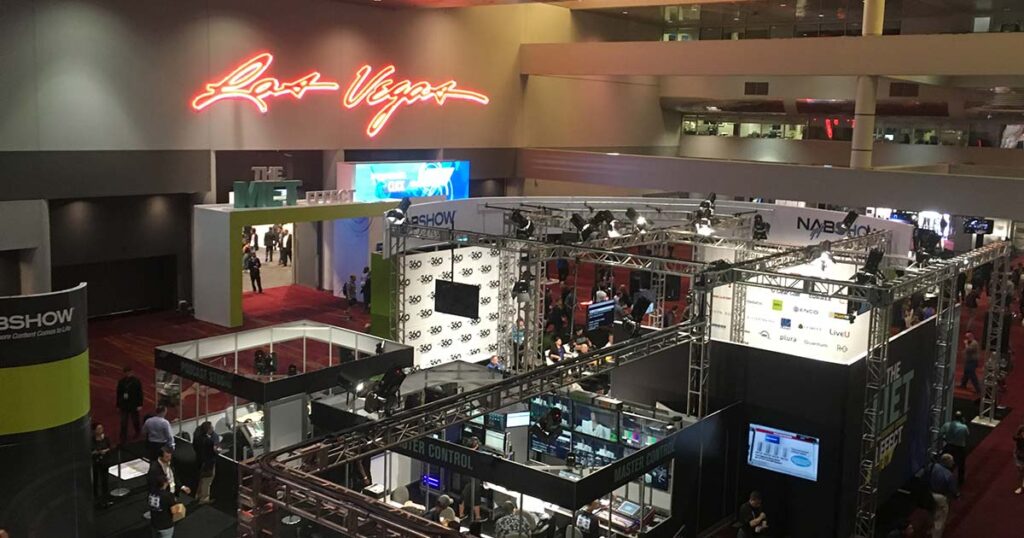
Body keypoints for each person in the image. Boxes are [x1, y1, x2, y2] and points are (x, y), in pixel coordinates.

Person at [929, 453, 958, 537]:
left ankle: (931, 530)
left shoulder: (933, 467)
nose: (953, 463)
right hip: (941, 497)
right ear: (948, 463)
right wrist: (957, 495)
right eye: (952, 462)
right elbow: (953, 490)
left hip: (930, 493)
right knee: (940, 520)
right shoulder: (949, 475)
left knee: (932, 513)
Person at [939, 411, 970, 484]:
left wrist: (946, 439)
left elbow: (941, 434)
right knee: (961, 465)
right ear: (962, 418)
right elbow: (967, 435)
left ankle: (943, 478)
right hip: (960, 448)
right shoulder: (964, 427)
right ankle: (960, 481)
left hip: (949, 446)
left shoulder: (947, 425)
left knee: (945, 462)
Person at [193, 421, 220, 505]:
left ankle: (198, 495)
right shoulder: (209, 442)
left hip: (199, 460)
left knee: (201, 478)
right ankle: (204, 498)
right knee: (207, 480)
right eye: (211, 428)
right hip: (208, 462)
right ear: (208, 430)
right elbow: (216, 450)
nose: (213, 429)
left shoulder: (197, 437)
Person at [116, 366, 143, 444]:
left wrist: (140, 404)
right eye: (126, 372)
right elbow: (118, 393)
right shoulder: (121, 382)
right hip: (124, 404)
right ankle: (123, 436)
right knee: (123, 421)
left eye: (129, 372)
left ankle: (137, 431)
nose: (128, 374)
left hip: (134, 404)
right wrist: (118, 405)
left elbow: (140, 393)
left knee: (135, 419)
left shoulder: (136, 381)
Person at [92, 423, 113, 508]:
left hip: (104, 462)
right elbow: (90, 451)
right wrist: (98, 452)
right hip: (95, 463)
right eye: (98, 429)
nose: (100, 430)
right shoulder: (91, 440)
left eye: (101, 428)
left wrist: (107, 450)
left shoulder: (106, 438)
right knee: (95, 481)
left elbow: (110, 447)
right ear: (94, 431)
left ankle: (105, 499)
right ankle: (96, 499)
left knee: (105, 481)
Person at [1014, 425, 1024, 494]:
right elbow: (1014, 437)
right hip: (1020, 456)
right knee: (1020, 472)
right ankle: (1021, 487)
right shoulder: (1021, 428)